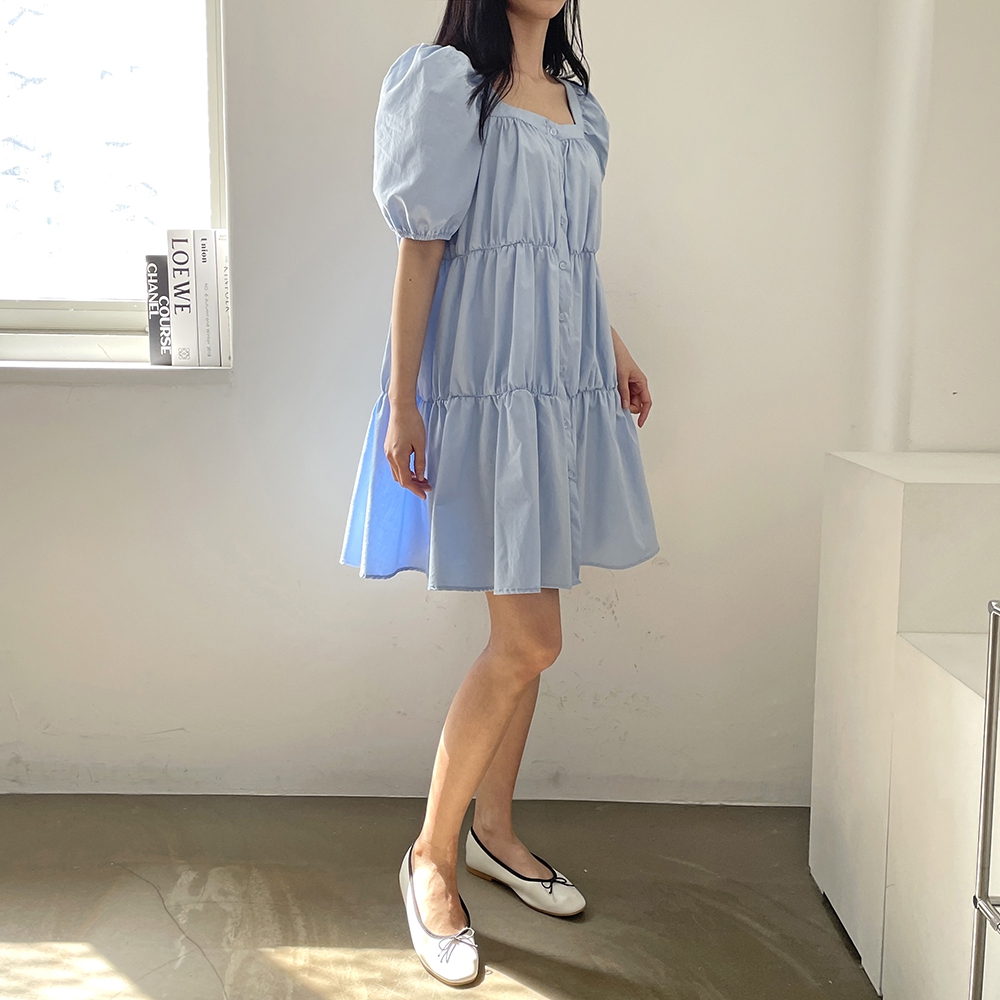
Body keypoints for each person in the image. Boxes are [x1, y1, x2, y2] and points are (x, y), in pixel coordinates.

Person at [341, 0, 659, 986]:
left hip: (557, 387)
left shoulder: (577, 106)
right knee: (530, 640)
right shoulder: (446, 85)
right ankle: (430, 859)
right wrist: (404, 403)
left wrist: (613, 350)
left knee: (531, 632)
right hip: (483, 386)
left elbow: (565, 261)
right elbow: (422, 247)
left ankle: (494, 831)